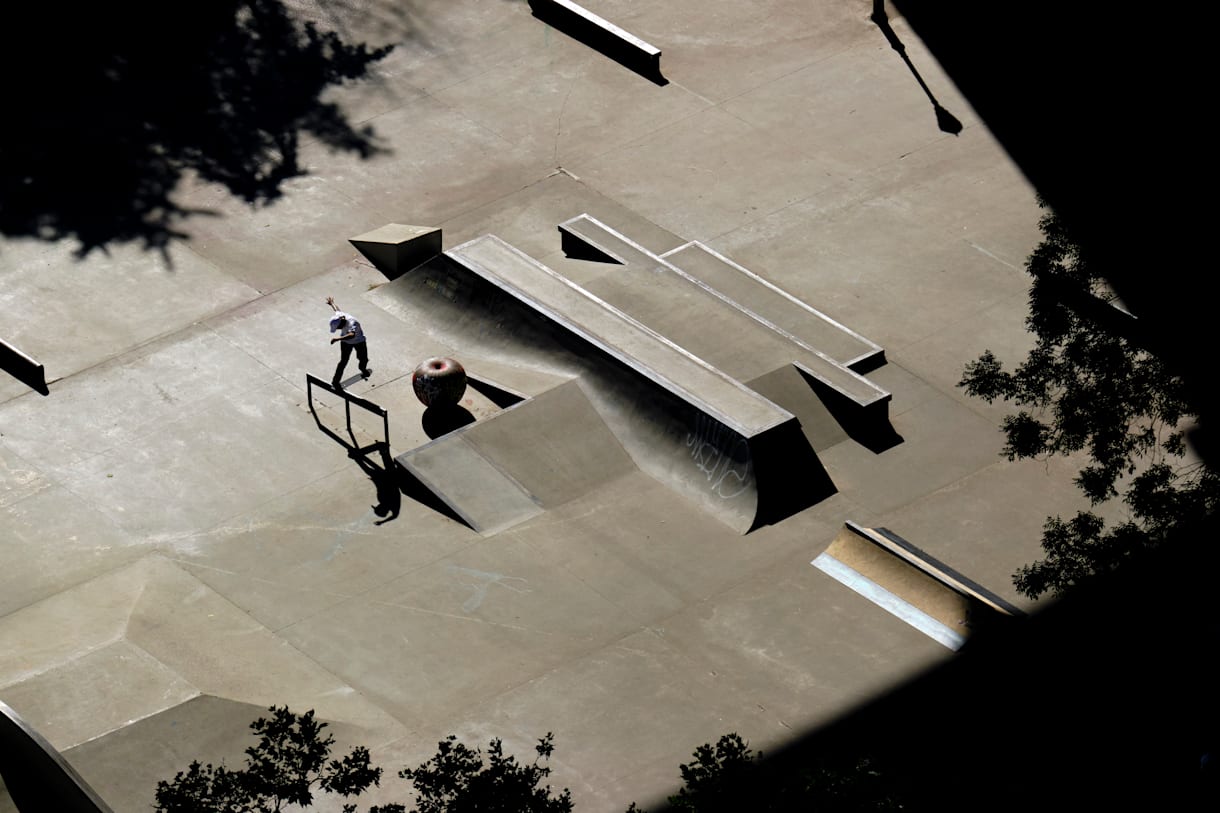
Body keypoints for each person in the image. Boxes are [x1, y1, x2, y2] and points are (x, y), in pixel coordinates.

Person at [326, 296, 371, 388]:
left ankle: (362, 368)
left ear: (341, 323)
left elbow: (352, 334)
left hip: (359, 341)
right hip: (346, 342)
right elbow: (337, 310)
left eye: (338, 327)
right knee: (343, 361)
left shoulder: (352, 322)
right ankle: (335, 381)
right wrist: (332, 303)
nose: (338, 329)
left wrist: (337, 339)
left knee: (363, 359)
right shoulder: (340, 316)